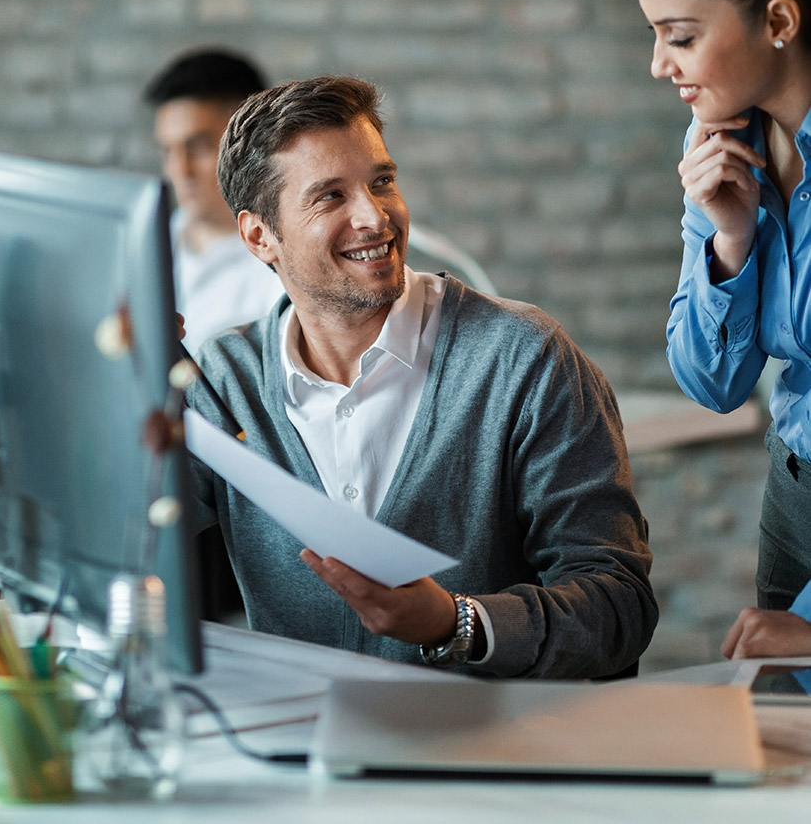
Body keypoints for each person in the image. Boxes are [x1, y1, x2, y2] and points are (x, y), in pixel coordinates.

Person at [183, 74, 657, 678]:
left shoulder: (526, 359)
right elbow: (111, 547)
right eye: (330, 197)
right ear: (259, 236)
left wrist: (454, 623)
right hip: (303, 754)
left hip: (492, 753)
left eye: (382, 181)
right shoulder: (225, 383)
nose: (375, 216)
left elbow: (620, 608)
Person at [634, 0, 811, 658]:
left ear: (777, 20)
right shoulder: (720, 139)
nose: (657, 64)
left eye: (679, 36)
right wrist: (730, 241)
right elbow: (710, 381)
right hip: (793, 491)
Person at [143, 48, 286, 356]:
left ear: (255, 144)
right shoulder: (148, 245)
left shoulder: (284, 272)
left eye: (198, 147)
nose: (180, 170)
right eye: (168, 151)